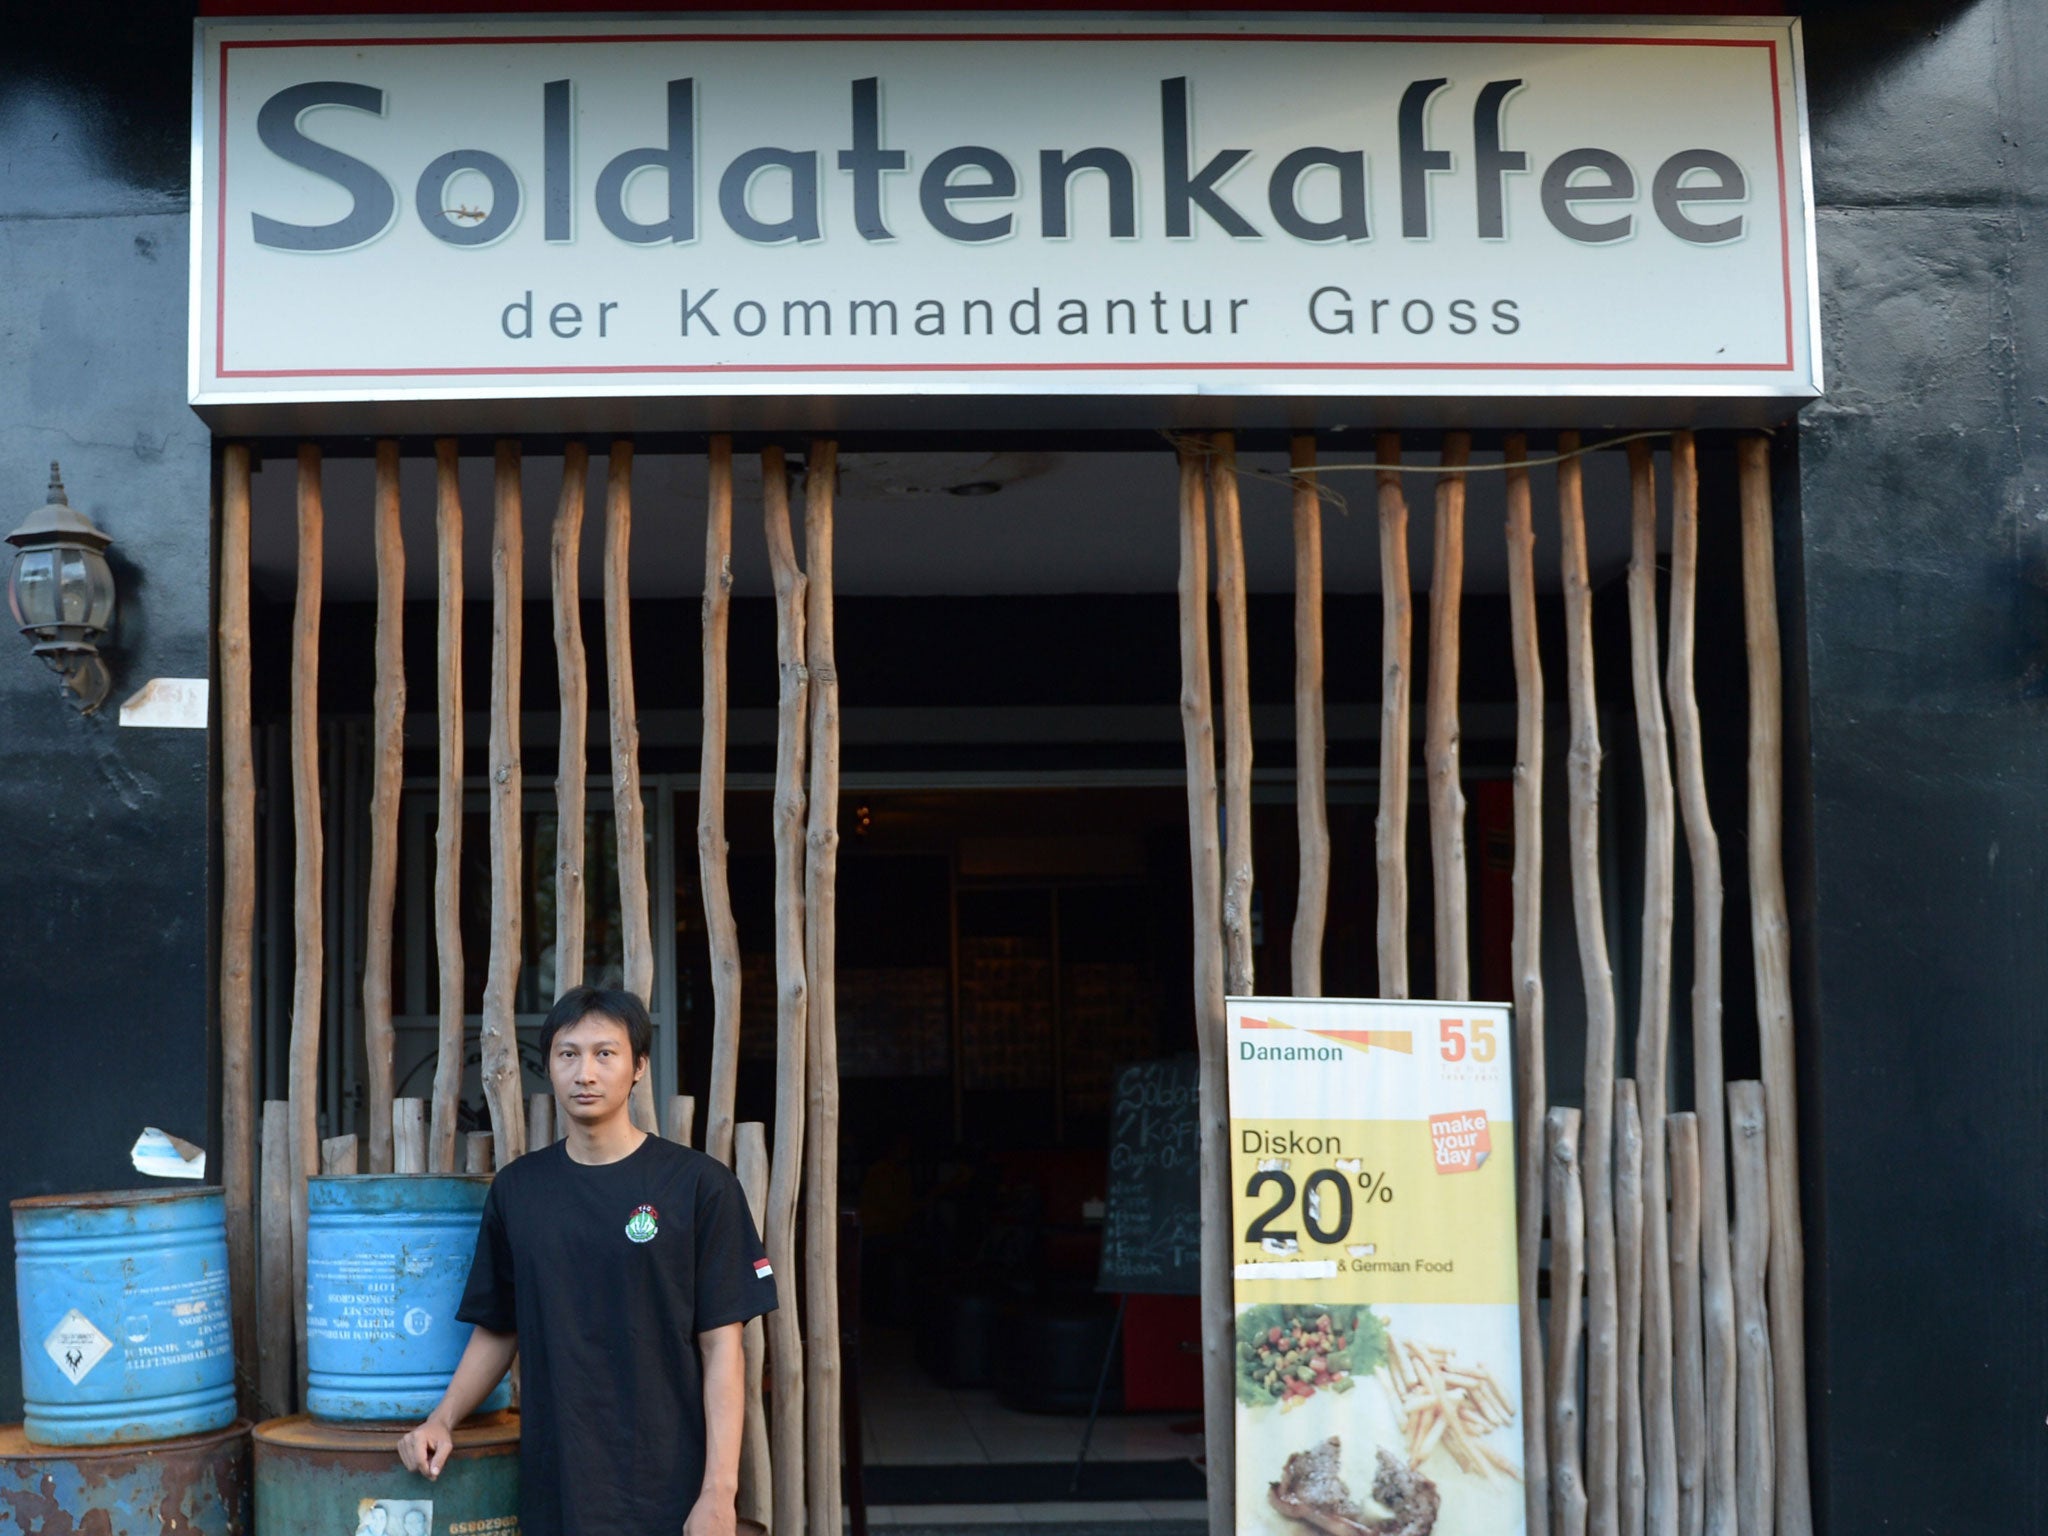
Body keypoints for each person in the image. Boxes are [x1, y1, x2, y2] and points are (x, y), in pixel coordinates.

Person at [397, 986, 777, 1536]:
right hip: (559, 1483)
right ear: (549, 1066)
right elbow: (500, 1328)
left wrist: (718, 1491)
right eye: (568, 1054)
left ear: (639, 1066)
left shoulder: (698, 1187)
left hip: (671, 1484)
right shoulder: (519, 1191)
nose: (585, 1073)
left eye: (606, 1053)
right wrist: (442, 1419)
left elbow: (722, 1346)